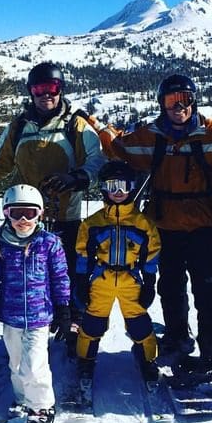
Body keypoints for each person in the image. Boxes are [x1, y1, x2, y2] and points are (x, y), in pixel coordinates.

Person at [0, 62, 105, 343]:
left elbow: (97, 160)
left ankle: (72, 323)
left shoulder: (75, 124)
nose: (46, 94)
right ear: (31, 92)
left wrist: (76, 178)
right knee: (24, 274)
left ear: (61, 89)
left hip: (64, 214)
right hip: (25, 217)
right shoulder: (20, 126)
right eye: (39, 89)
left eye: (52, 88)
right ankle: (27, 325)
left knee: (67, 273)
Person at [108, 74, 212, 379]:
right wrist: (97, 128)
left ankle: (211, 346)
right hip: (165, 224)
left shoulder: (211, 133)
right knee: (170, 286)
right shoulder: (152, 137)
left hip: (202, 224)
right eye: (171, 101)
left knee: (207, 287)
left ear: (193, 101)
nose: (178, 107)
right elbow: (119, 147)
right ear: (162, 104)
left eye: (184, 99)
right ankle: (176, 337)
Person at [0, 184, 71, 423]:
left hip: (40, 315)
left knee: (34, 365)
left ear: (39, 215)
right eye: (16, 213)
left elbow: (61, 277)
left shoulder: (49, 243)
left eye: (29, 214)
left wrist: (64, 309)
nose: (22, 220)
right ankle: (22, 399)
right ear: (5, 213)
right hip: (11, 316)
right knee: (16, 362)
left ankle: (41, 407)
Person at [75, 161, 161, 382]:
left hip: (130, 279)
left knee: (139, 323)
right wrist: (82, 282)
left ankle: (148, 360)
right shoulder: (92, 223)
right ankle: (85, 360)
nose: (118, 192)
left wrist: (149, 283)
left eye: (123, 186)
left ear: (132, 187)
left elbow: (151, 255)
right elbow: (83, 254)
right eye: (112, 186)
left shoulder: (143, 223)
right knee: (93, 322)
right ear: (103, 188)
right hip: (101, 278)